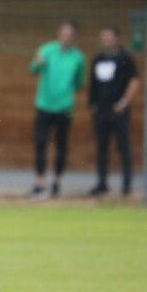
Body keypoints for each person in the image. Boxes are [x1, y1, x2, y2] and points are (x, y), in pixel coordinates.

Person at [28, 21, 85, 198]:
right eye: (64, 33)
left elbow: (79, 83)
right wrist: (38, 63)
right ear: (59, 34)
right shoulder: (46, 50)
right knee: (41, 142)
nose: (66, 37)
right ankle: (40, 182)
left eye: (70, 34)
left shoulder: (78, 58)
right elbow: (33, 70)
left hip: (64, 108)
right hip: (44, 105)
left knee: (61, 146)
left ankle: (57, 182)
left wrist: (65, 95)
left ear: (74, 37)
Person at [88, 27, 139, 196]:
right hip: (100, 111)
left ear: (117, 38)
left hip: (118, 111)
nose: (107, 40)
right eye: (104, 37)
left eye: (110, 37)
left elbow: (134, 82)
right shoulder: (98, 58)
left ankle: (126, 185)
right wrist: (92, 104)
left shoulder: (125, 58)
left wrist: (124, 102)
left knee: (123, 147)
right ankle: (102, 183)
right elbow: (93, 84)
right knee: (102, 148)